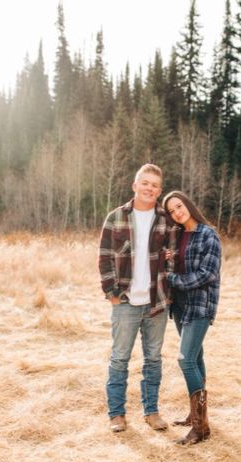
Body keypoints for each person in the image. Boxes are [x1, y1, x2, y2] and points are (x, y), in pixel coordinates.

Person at [99, 164, 172, 434]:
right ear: (135, 185)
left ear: (159, 190)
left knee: (153, 359)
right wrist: (112, 294)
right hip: (126, 301)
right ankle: (116, 414)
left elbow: (174, 255)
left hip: (157, 302)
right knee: (120, 359)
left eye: (154, 185)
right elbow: (104, 256)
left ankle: (151, 411)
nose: (149, 188)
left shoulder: (166, 219)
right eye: (145, 182)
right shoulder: (116, 217)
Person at [161, 190, 222, 446]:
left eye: (179, 206)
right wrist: (169, 262)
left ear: (188, 204)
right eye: (172, 211)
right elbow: (176, 267)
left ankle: (201, 428)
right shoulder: (177, 236)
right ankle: (196, 415)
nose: (177, 212)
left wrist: (173, 279)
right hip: (181, 305)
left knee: (185, 360)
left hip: (199, 305)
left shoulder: (209, 234)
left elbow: (207, 274)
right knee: (196, 357)